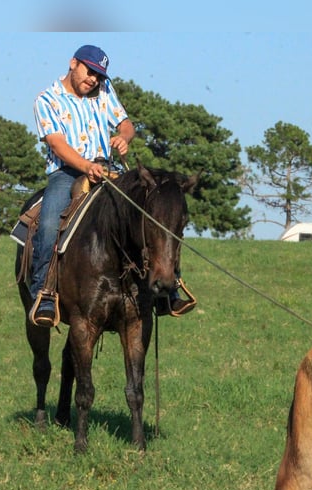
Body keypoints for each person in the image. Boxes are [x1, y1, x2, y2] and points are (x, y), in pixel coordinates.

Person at [29, 44, 194, 327]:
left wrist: (124, 137)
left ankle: (170, 287)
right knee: (47, 225)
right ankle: (44, 294)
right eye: (89, 71)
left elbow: (126, 124)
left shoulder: (104, 91)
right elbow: (56, 143)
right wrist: (85, 166)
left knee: (149, 213)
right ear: (73, 63)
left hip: (108, 171)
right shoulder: (47, 100)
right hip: (67, 173)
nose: (93, 79)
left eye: (99, 75)